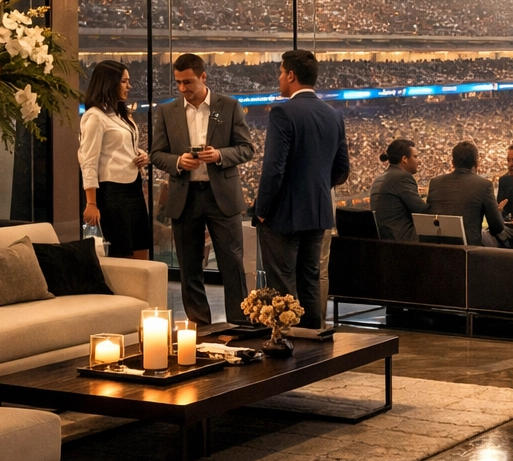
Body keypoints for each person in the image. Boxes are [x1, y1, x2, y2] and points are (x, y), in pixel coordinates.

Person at [149, 53, 255, 327]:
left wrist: (219, 155)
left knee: (232, 265)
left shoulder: (229, 106)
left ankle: (239, 325)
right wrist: (177, 162)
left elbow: (246, 149)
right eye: (178, 83)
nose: (183, 89)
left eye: (188, 82)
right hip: (185, 197)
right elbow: (157, 154)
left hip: (222, 198)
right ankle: (200, 328)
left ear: (203, 77)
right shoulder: (167, 111)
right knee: (189, 268)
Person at [252, 49, 349, 340]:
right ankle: (314, 347)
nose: (279, 78)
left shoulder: (282, 112)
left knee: (283, 286)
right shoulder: (333, 114)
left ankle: (284, 347)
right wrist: (316, 188)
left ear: (291, 75)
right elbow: (342, 169)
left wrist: (261, 208)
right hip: (318, 212)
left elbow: (273, 170)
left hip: (283, 214)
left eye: (281, 72)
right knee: (309, 282)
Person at [78, 60, 150, 259]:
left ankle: (142, 290)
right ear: (110, 83)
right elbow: (88, 161)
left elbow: (121, 146)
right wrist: (91, 203)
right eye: (124, 81)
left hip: (133, 188)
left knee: (141, 248)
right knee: (122, 253)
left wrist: (141, 154)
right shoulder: (95, 116)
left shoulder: (120, 114)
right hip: (112, 193)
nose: (129, 86)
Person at [427, 141, 508, 246]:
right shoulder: (484, 184)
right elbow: (497, 227)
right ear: (476, 163)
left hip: (438, 246)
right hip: (468, 250)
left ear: (453, 162)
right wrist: (498, 211)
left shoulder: (435, 182)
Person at [369, 138, 429, 241]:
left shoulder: (379, 178)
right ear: (404, 159)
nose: (419, 161)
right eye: (415, 157)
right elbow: (421, 210)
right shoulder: (402, 177)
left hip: (384, 239)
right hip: (402, 239)